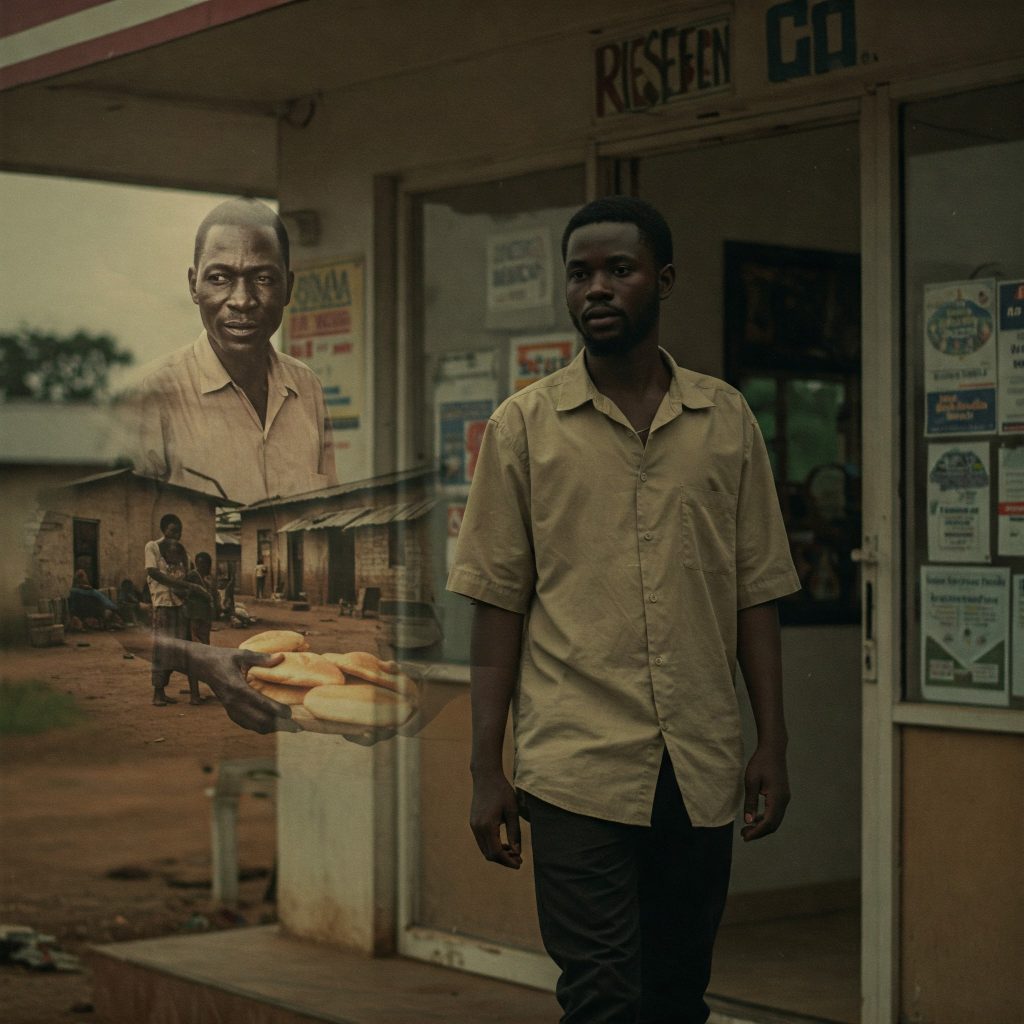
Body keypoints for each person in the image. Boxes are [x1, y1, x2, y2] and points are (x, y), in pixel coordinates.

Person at [447, 196, 801, 1023]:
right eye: (580, 273)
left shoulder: (726, 421)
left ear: (664, 280)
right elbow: (498, 609)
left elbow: (756, 594)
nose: (596, 288)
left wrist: (772, 742)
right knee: (602, 996)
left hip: (701, 765)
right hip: (575, 769)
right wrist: (484, 768)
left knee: (678, 995)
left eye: (619, 269)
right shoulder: (523, 430)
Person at [125, 198, 338, 506]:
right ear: (193, 286)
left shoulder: (308, 388)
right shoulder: (153, 395)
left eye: (263, 279)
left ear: (288, 288)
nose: (242, 300)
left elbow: (329, 514)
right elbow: (132, 529)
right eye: (220, 278)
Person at [145, 513, 207, 707]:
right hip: (163, 605)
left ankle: (192, 693)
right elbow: (153, 572)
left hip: (181, 606)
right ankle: (158, 692)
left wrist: (196, 590)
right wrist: (183, 585)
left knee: (184, 649)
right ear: (164, 530)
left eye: (179, 531)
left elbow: (189, 577)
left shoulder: (183, 552)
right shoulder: (152, 547)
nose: (176, 535)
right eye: (172, 530)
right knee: (162, 649)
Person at [183, 551, 219, 704]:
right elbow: (183, 591)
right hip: (195, 619)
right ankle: (194, 694)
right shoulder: (193, 576)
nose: (206, 567)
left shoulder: (207, 578)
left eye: (208, 564)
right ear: (198, 564)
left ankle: (196, 692)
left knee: (203, 656)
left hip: (204, 620)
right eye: (203, 564)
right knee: (196, 657)